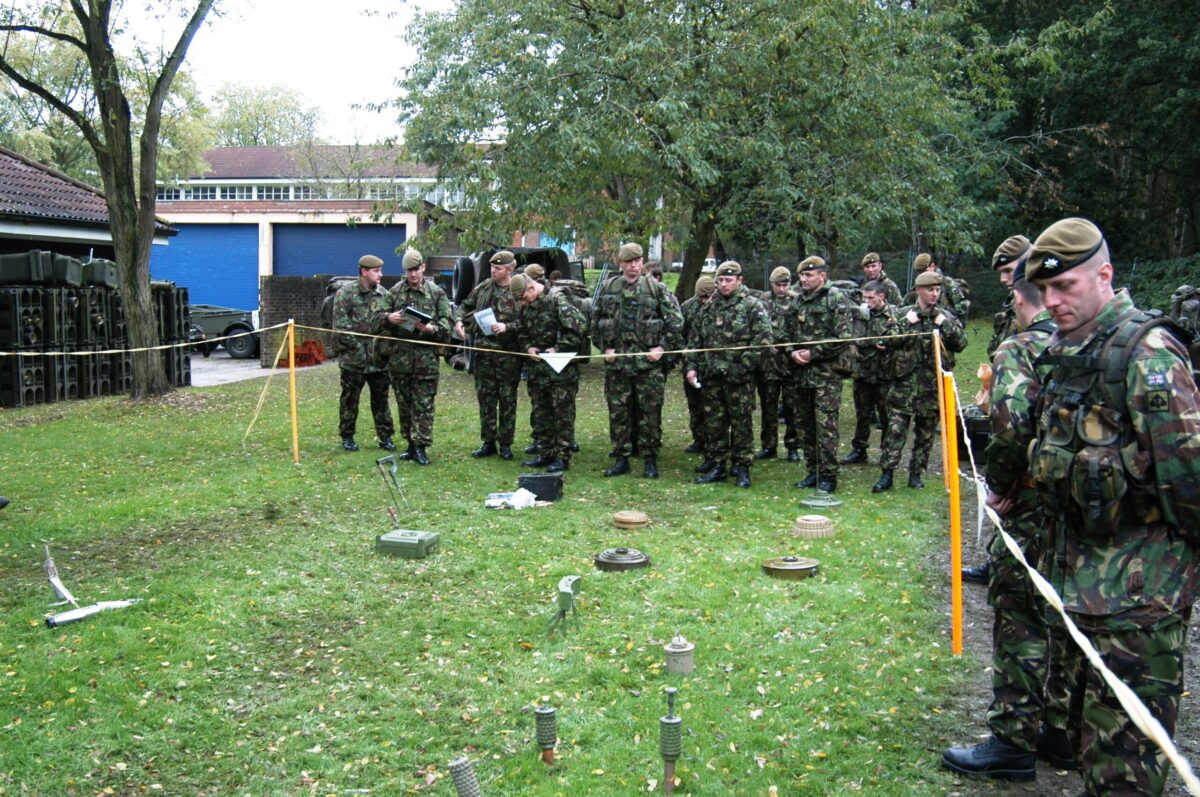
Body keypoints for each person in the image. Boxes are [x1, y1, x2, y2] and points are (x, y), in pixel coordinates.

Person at [1025, 217, 1200, 795]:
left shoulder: (1148, 354)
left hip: (1137, 604)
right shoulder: (1070, 348)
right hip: (1077, 586)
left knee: (1124, 767)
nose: (1052, 301)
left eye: (1065, 287)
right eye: (1044, 290)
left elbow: (1190, 480)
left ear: (1104, 275)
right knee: (1087, 751)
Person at [942, 260, 1071, 782]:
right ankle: (1060, 728)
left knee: (1019, 615)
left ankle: (1014, 739)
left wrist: (1000, 486)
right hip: (1077, 509)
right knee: (1066, 614)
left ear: (1022, 298)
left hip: (1031, 506)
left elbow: (1011, 426)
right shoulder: (1083, 343)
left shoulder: (1021, 348)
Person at [965, 233, 1031, 585]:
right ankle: (999, 561)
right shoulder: (1012, 306)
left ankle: (1011, 569)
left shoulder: (1044, 303)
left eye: (1008, 270)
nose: (1004, 279)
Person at [590, 242, 683, 478]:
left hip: (648, 367)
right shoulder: (610, 288)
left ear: (642, 262)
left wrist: (662, 347)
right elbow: (595, 322)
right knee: (618, 412)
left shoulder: (656, 288)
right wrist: (605, 348)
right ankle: (621, 457)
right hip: (618, 366)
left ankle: (650, 458)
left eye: (638, 261)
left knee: (649, 413)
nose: (634, 266)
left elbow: (676, 322)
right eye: (629, 262)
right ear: (621, 264)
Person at [872, 270, 967, 492]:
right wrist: (906, 323)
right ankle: (887, 474)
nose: (935, 294)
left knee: (925, 433)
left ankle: (916, 474)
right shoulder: (904, 314)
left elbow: (961, 343)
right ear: (918, 291)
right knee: (895, 430)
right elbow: (884, 341)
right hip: (905, 383)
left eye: (937, 290)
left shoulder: (945, 316)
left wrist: (945, 324)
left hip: (932, 386)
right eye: (930, 290)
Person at [686, 261, 771, 488]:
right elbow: (696, 340)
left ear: (739, 280)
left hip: (739, 378)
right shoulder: (709, 307)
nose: (724, 285)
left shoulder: (752, 306)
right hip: (712, 376)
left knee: (741, 423)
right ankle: (717, 465)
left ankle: (742, 466)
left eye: (728, 280)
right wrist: (692, 366)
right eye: (720, 280)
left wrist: (742, 367)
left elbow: (763, 340)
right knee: (715, 424)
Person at [378, 248, 453, 465]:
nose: (412, 275)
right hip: (400, 360)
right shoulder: (394, 292)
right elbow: (375, 319)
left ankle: (421, 446)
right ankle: (410, 444)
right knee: (405, 404)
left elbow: (447, 325)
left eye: (416, 270)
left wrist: (431, 329)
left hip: (426, 361)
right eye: (409, 271)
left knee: (424, 405)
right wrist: (389, 318)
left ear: (423, 268)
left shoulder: (436, 293)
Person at [784, 256, 850, 493]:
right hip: (801, 375)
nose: (803, 279)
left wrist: (813, 353)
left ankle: (829, 475)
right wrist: (792, 352)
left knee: (826, 426)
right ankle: (813, 470)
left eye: (808, 275)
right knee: (804, 425)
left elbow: (842, 337)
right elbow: (786, 332)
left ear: (822, 276)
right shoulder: (798, 300)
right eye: (801, 275)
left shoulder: (835, 298)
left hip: (826, 375)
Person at [512, 272, 588, 472]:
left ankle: (563, 457)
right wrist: (528, 347)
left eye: (524, 298)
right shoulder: (526, 306)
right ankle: (545, 453)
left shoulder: (557, 299)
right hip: (538, 371)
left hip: (560, 371)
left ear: (531, 288)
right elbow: (520, 330)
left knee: (562, 415)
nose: (523, 303)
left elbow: (579, 327)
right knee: (541, 413)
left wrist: (558, 347)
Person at [456, 250, 523, 460]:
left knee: (507, 401)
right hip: (484, 354)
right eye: (493, 267)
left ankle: (505, 443)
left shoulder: (518, 290)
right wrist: (459, 321)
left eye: (499, 268)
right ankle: (488, 442)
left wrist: (508, 326)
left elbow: (530, 321)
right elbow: (465, 305)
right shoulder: (484, 287)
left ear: (510, 269)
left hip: (508, 356)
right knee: (486, 400)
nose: (494, 271)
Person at [332, 254, 395, 452]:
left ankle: (385, 437)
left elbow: (387, 325)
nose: (380, 275)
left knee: (381, 400)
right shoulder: (345, 294)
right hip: (353, 360)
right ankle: (347, 436)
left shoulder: (384, 295)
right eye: (376, 271)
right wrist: (359, 349)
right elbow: (341, 327)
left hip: (378, 360)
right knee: (350, 399)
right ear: (363, 272)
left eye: (380, 271)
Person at [841, 280, 897, 465]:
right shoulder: (860, 315)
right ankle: (859, 449)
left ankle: (887, 452)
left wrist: (888, 342)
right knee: (862, 414)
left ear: (882, 296)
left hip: (885, 374)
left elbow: (900, 338)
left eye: (871, 297)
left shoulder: (894, 314)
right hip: (863, 372)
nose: (867, 301)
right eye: (864, 297)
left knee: (886, 415)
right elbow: (854, 339)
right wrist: (874, 342)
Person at [754, 267, 800, 462]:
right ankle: (769, 445)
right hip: (768, 365)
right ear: (771, 284)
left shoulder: (796, 301)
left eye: (785, 285)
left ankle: (793, 446)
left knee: (792, 407)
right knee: (768, 407)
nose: (781, 289)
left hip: (790, 364)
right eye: (778, 285)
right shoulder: (762, 302)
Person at [681, 275, 715, 456]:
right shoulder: (687, 307)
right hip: (691, 363)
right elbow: (681, 333)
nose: (704, 301)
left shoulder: (718, 306)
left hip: (713, 365)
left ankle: (714, 441)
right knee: (694, 404)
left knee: (713, 406)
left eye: (707, 297)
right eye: (701, 297)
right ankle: (699, 438)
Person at [987, 235, 1028, 357]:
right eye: (1001, 272)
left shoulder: (1050, 304)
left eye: (1008, 270)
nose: (1003, 279)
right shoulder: (1011, 302)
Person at [906, 253, 971, 320]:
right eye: (919, 272)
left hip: (946, 325)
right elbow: (904, 306)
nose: (922, 275)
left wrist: (947, 320)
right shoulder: (918, 287)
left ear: (932, 266)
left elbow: (962, 309)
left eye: (924, 271)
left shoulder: (948, 283)